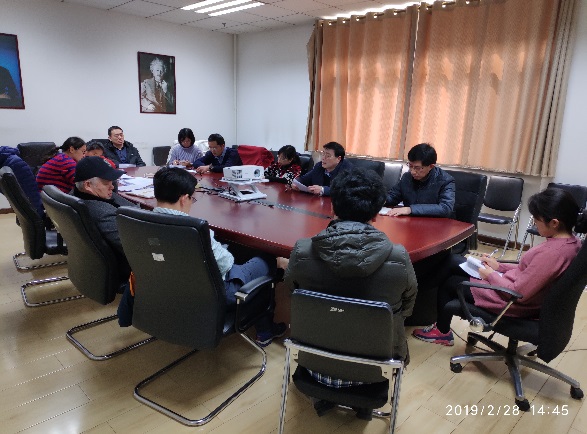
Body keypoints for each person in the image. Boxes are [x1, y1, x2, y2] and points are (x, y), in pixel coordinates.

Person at [284, 168, 417, 400]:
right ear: (375, 214)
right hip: (375, 371)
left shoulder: (302, 251)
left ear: (333, 208)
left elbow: (292, 293)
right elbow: (406, 307)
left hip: (313, 363)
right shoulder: (399, 258)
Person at [117, 167, 287, 346]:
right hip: (215, 296)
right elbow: (227, 263)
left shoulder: (139, 222)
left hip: (167, 290)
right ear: (184, 198)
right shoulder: (193, 230)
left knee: (237, 252)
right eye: (192, 198)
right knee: (268, 259)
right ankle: (265, 331)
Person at [413, 188, 585, 346]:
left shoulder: (552, 253)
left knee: (451, 282)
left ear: (554, 223)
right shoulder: (572, 243)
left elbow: (519, 293)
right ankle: (416, 294)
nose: (534, 223)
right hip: (515, 290)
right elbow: (529, 270)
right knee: (453, 261)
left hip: (510, 302)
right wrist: (499, 267)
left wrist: (490, 275)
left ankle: (439, 329)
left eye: (536, 219)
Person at [72, 156, 138, 286]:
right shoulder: (103, 214)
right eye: (107, 183)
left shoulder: (75, 194)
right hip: (127, 267)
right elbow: (134, 249)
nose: (112, 187)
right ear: (88, 185)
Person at [385, 143, 455, 217]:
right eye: (410, 166)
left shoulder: (446, 180)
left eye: (417, 168)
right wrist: (381, 200)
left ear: (431, 166)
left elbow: (445, 208)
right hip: (410, 221)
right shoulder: (407, 177)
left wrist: (410, 209)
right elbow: (393, 197)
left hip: (434, 222)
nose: (412, 171)